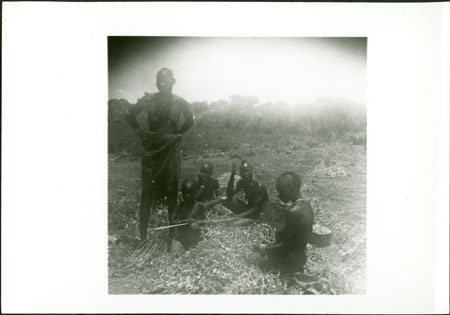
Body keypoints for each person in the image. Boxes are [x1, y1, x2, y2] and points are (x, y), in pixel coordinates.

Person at [125, 68, 194, 242]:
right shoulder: (149, 100)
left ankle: (171, 237)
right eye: (159, 80)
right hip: (152, 151)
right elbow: (129, 115)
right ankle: (143, 238)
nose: (162, 83)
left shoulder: (180, 102)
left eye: (166, 80)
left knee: (171, 191)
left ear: (173, 82)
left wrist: (178, 133)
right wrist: (140, 133)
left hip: (170, 151)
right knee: (147, 193)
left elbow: (190, 120)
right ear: (156, 83)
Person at [252, 171, 314, 274]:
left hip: (290, 262)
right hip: (301, 258)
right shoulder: (307, 205)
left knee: (252, 257)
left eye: (280, 190)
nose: (278, 194)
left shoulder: (293, 212)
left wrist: (262, 248)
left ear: (291, 188)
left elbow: (285, 247)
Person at [223, 160, 269, 226]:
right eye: (243, 172)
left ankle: (247, 219)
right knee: (231, 199)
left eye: (247, 171)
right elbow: (229, 194)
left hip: (259, 214)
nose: (245, 174)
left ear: (252, 170)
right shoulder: (242, 181)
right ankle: (240, 216)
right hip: (249, 209)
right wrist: (232, 175)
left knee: (235, 224)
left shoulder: (259, 185)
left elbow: (257, 208)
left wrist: (243, 214)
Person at [170, 178, 207, 252]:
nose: (187, 195)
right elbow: (172, 221)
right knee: (174, 252)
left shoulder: (199, 206)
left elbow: (204, 222)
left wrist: (197, 224)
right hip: (182, 237)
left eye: (190, 193)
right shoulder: (180, 205)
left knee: (205, 251)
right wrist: (183, 221)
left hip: (195, 237)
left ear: (195, 192)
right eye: (184, 193)